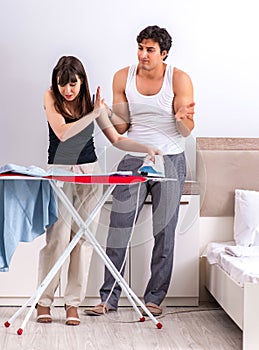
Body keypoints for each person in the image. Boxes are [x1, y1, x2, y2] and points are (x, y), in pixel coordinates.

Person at [36, 55, 161, 326]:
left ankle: (72, 304)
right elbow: (63, 134)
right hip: (60, 171)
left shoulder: (91, 103)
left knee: (83, 240)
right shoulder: (50, 98)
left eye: (73, 84)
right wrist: (93, 113)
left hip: (89, 173)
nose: (67, 91)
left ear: (82, 81)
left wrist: (146, 148)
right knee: (57, 239)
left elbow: (116, 138)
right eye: (62, 85)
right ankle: (43, 301)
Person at [84, 25, 195, 317]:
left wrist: (182, 118)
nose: (143, 54)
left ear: (164, 54)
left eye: (150, 50)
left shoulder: (179, 79)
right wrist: (105, 114)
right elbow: (121, 128)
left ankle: (154, 298)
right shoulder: (123, 77)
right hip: (134, 158)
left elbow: (185, 130)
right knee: (119, 228)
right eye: (140, 48)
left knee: (164, 231)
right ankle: (108, 298)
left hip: (169, 158)